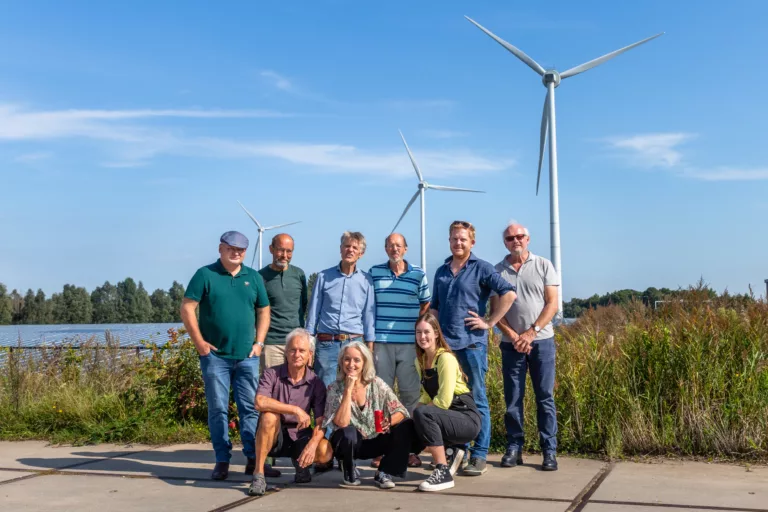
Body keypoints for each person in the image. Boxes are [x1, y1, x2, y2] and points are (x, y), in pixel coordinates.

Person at [180, 231, 272, 480]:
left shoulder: (252, 277)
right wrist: (199, 343)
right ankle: (222, 460)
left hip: (247, 357)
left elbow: (264, 309)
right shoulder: (205, 274)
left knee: (250, 409)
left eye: (242, 249)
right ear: (221, 248)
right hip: (215, 357)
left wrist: (259, 343)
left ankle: (254, 459)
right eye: (231, 248)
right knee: (218, 409)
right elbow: (187, 307)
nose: (237, 253)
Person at [430, 220, 517, 476]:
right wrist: (432, 338)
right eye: (454, 238)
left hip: (471, 345)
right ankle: (459, 449)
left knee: (478, 399)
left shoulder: (482, 268)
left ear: (472, 242)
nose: (458, 243)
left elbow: (509, 293)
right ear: (449, 240)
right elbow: (434, 306)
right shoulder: (442, 271)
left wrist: (489, 322)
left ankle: (479, 455)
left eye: (463, 239)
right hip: (446, 347)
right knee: (452, 400)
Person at [490, 222, 560, 471]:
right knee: (513, 398)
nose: (515, 241)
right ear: (505, 243)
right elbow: (495, 310)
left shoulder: (543, 265)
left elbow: (552, 304)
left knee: (545, 398)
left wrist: (531, 333)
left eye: (519, 236)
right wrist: (512, 334)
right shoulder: (497, 270)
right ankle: (514, 447)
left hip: (542, 342)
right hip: (511, 345)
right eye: (510, 238)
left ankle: (549, 450)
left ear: (528, 239)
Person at [368, 233, 431, 468]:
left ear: (405, 248)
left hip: (408, 345)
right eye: (390, 245)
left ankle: (409, 449)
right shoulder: (374, 273)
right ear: (385, 248)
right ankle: (380, 448)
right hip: (381, 344)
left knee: (410, 398)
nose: (395, 249)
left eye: (399, 245)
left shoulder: (418, 274)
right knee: (380, 398)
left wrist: (418, 331)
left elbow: (426, 304)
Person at [323, 341, 420, 489]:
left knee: (405, 425)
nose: (351, 364)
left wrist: (389, 420)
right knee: (347, 432)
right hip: (350, 444)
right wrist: (348, 391)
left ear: (364, 363)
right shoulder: (334, 388)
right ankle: (348, 468)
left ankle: (385, 471)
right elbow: (341, 423)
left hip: (376, 439)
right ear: (341, 362)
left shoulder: (376, 383)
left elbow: (401, 411)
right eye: (347, 359)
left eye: (357, 360)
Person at [248, 328, 333, 496]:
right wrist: (295, 410)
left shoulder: (316, 383)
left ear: (310, 354)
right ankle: (258, 474)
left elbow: (321, 421)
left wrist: (312, 445)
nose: (297, 354)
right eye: (293, 350)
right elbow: (259, 402)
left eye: (302, 350)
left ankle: (300, 464)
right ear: (286, 352)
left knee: (325, 451)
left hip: (300, 435)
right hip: (274, 435)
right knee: (269, 416)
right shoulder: (271, 373)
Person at [412, 312, 481, 492]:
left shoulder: (445, 359)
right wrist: (411, 419)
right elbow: (426, 397)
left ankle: (442, 472)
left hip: (466, 417)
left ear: (436, 333)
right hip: (446, 416)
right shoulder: (419, 361)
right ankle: (390, 468)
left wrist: (420, 417)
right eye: (418, 333)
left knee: (422, 415)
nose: (422, 337)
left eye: (426, 332)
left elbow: (443, 401)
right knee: (409, 422)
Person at [306, 231, 376, 388]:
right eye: (347, 246)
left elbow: (369, 316)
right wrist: (309, 342)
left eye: (354, 247)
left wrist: (370, 347)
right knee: (325, 388)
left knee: (353, 388)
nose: (350, 250)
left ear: (361, 253)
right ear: (340, 249)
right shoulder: (324, 277)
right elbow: (313, 312)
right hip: (327, 343)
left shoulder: (366, 281)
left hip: (354, 342)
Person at [258, 233, 308, 371]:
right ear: (271, 249)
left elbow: (303, 305)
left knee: (298, 386)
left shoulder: (299, 274)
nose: (284, 255)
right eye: (280, 250)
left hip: (297, 343)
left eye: (289, 251)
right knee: (272, 387)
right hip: (271, 344)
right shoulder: (260, 277)